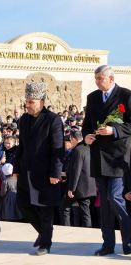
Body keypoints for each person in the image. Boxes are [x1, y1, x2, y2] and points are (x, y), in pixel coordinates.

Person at [83, 65, 131, 256]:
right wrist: (86, 136)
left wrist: (114, 130)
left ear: (111, 79)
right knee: (104, 204)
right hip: (98, 156)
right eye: (95, 78)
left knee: (115, 197)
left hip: (118, 157)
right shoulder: (92, 97)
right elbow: (86, 124)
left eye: (100, 78)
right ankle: (108, 244)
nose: (97, 81)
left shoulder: (126, 95)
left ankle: (128, 240)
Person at [13, 82, 64, 256]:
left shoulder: (53, 120)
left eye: (31, 102)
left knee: (45, 209)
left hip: (46, 172)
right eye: (26, 101)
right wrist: (16, 167)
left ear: (41, 101)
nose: (27, 105)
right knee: (23, 204)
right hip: (26, 171)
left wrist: (55, 172)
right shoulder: (24, 119)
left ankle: (46, 243)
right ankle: (43, 233)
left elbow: (58, 147)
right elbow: (22, 146)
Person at [62, 130, 96, 227]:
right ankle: (88, 232)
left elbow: (76, 170)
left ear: (73, 139)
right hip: (89, 186)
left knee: (65, 208)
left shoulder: (78, 150)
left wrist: (71, 188)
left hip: (78, 187)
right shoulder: (88, 148)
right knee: (86, 212)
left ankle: (66, 230)